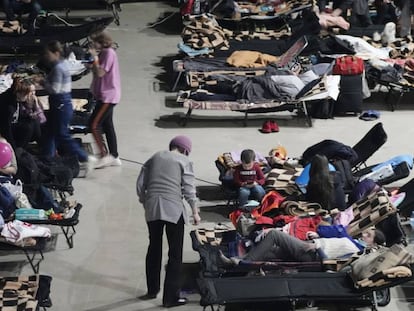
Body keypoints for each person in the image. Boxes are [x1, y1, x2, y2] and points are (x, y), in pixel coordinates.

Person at [136, 135, 201, 308]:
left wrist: (146, 201)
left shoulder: (155, 156)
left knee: (154, 248)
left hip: (152, 208)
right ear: (185, 150)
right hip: (173, 209)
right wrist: (195, 211)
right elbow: (189, 189)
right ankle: (170, 298)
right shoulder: (184, 161)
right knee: (174, 255)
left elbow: (140, 183)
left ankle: (152, 290)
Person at [38, 40, 95, 175]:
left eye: (48, 54)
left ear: (56, 53)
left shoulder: (58, 68)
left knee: (62, 134)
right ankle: (48, 159)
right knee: (50, 132)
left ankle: (85, 157)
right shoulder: (61, 65)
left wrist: (42, 82)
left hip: (60, 104)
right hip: (61, 104)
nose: (46, 56)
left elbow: (55, 89)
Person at [220, 227, 385, 264]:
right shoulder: (354, 243)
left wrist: (317, 247)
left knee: (275, 235)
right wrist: (318, 238)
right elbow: (333, 245)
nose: (364, 234)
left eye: (368, 235)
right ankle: (236, 262)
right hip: (309, 246)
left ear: (373, 243)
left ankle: (243, 264)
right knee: (270, 250)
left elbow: (331, 263)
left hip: (310, 254)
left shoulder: (356, 250)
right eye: (366, 232)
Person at [87, 31, 122, 168]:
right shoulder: (104, 53)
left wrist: (94, 58)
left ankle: (104, 155)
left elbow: (100, 72)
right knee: (108, 125)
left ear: (101, 42)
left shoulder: (108, 53)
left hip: (108, 96)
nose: (91, 44)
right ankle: (114, 155)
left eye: (94, 42)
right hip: (104, 94)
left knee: (94, 125)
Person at [11, 80, 46, 149]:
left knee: (36, 123)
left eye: (34, 91)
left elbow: (42, 119)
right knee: (31, 124)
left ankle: (44, 148)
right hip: (20, 130)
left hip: (32, 130)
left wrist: (36, 106)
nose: (33, 93)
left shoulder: (34, 100)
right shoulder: (18, 102)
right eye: (31, 91)